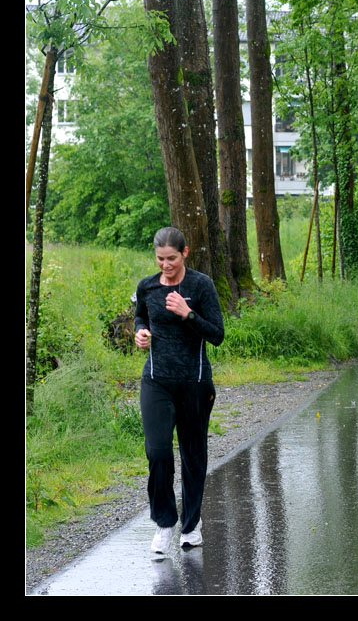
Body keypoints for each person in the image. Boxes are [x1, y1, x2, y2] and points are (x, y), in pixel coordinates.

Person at [134, 226, 224, 554]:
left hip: (194, 382)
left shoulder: (201, 285)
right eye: (160, 259)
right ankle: (164, 523)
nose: (165, 265)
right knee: (157, 451)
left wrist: (188, 314)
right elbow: (140, 318)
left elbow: (216, 333)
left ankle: (191, 524)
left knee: (192, 455)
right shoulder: (147, 287)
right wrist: (140, 333)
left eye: (171, 258)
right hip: (156, 380)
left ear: (184, 254)